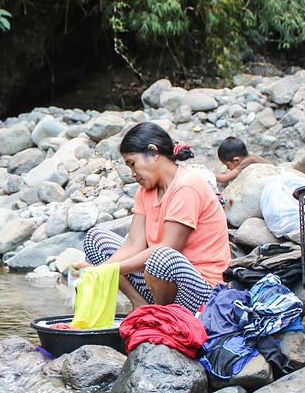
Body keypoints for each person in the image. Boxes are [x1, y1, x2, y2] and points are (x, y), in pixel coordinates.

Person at [78, 122, 231, 311]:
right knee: (95, 238)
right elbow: (134, 244)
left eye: (133, 164)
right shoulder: (146, 190)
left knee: (160, 256)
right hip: (160, 281)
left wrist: (110, 270)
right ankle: (140, 304)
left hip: (202, 292)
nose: (133, 174)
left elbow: (169, 247)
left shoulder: (186, 186)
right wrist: (98, 271)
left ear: (153, 152)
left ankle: (162, 318)